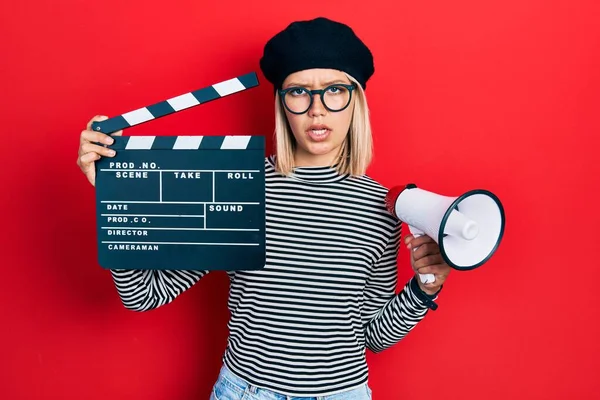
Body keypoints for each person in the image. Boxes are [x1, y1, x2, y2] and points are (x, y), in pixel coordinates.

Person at [77, 17, 451, 400]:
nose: (316, 109)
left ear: (355, 100)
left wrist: (425, 289)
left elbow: (373, 335)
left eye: (334, 90)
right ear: (282, 102)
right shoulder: (238, 185)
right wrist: (114, 196)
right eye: (299, 91)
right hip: (246, 392)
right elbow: (144, 295)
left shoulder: (381, 207)